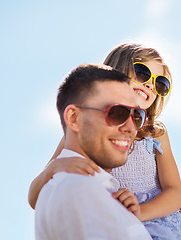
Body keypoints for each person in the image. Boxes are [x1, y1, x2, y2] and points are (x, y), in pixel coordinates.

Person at [30, 43, 181, 239]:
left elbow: (174, 191)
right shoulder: (86, 129)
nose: (149, 84)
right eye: (142, 73)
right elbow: (35, 197)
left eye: (160, 84)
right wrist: (54, 168)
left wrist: (140, 212)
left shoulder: (156, 133)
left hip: (155, 218)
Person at [35, 64, 152, 239]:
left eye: (136, 116)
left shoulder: (100, 193)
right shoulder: (78, 188)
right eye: (117, 112)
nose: (131, 128)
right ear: (74, 118)